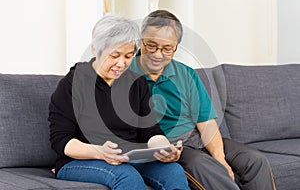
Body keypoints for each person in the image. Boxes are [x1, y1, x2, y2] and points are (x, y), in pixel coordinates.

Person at [129, 10, 277, 190]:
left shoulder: (186, 74)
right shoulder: (124, 75)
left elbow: (205, 122)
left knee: (255, 160)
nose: (158, 54)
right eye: (151, 45)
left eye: (167, 48)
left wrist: (220, 158)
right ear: (140, 41)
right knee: (203, 165)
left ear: (176, 47)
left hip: (197, 138)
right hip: (172, 146)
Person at [48, 14, 190, 190]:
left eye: (128, 56)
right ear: (95, 50)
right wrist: (99, 152)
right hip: (80, 161)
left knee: (173, 171)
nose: (121, 64)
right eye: (114, 55)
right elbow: (61, 140)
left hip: (128, 157)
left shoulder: (137, 83)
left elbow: (150, 131)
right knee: (126, 176)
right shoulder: (75, 82)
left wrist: (163, 149)